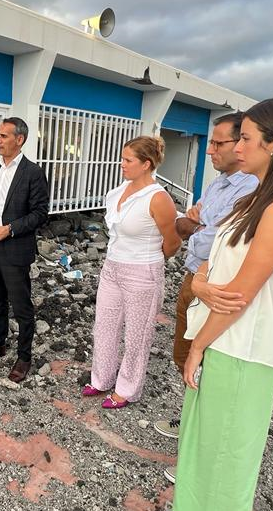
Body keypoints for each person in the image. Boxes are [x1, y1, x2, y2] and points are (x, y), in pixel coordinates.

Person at [168, 98, 273, 511]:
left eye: (248, 137)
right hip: (223, 343)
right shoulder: (255, 200)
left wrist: (197, 344)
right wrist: (203, 286)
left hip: (241, 351)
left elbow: (236, 295)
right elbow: (209, 265)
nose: (238, 146)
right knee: (197, 461)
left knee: (225, 475)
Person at [153, 113, 259, 485]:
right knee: (185, 355)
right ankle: (191, 422)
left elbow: (221, 239)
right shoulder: (217, 185)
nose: (210, 150)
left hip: (218, 284)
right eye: (210, 143)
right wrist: (197, 225)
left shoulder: (253, 189)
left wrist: (198, 225)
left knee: (207, 362)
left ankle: (199, 453)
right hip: (193, 275)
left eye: (219, 143)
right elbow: (185, 226)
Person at [81, 136, 180, 408]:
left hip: (142, 272)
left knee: (137, 334)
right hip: (112, 267)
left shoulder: (158, 198)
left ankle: (127, 389)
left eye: (128, 160)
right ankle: (101, 379)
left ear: (146, 164)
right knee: (104, 326)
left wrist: (149, 262)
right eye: (122, 158)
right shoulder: (116, 192)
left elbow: (172, 242)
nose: (121, 164)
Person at [0, 117, 49, 383]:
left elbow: (40, 213)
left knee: (21, 305)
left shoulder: (33, 172)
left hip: (15, 248)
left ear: (20, 139)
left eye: (4, 136)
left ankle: (24, 357)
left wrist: (10, 228)